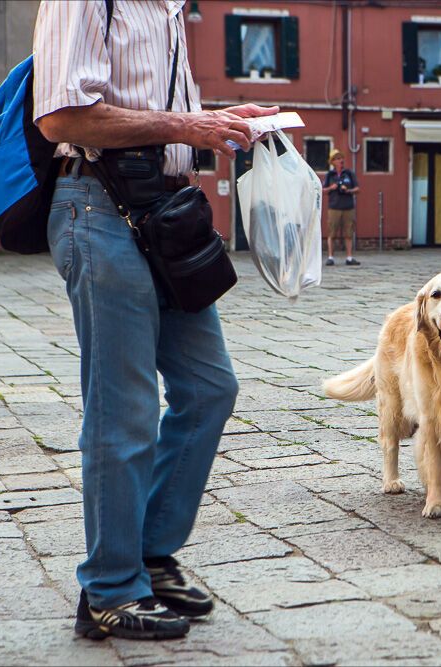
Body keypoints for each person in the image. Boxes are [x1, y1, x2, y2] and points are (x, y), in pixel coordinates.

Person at [33, 0, 278, 640]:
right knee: (125, 410)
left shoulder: (167, 5)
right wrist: (188, 126)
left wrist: (217, 124)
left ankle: (148, 554)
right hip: (98, 205)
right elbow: (62, 115)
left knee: (208, 388)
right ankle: (110, 590)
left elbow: (161, 114)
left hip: (162, 209)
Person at [324, 149, 361, 266]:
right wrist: (332, 187)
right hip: (334, 207)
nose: (341, 160)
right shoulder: (330, 175)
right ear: (333, 162)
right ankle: (330, 257)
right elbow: (322, 190)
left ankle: (349, 258)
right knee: (332, 233)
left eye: (341, 158)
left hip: (348, 207)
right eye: (338, 158)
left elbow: (358, 189)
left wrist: (348, 190)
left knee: (349, 233)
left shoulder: (349, 173)